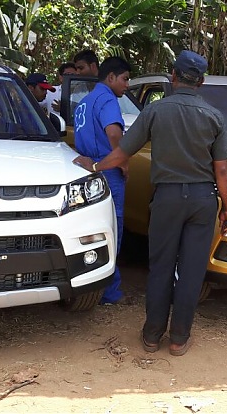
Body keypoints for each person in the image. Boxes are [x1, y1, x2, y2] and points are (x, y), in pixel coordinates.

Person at [72, 50, 227, 356]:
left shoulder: (155, 111)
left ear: (173, 76)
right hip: (202, 200)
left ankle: (151, 334)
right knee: (191, 270)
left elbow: (122, 152)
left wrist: (94, 167)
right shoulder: (214, 116)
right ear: (202, 81)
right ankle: (178, 338)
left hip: (167, 198)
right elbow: (222, 169)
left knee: (160, 267)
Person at [73, 56, 131, 305]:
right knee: (112, 229)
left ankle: (91, 284)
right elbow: (114, 133)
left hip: (88, 171)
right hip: (107, 170)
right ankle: (109, 291)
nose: (127, 85)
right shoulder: (107, 99)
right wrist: (124, 162)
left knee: (91, 229)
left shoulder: (84, 102)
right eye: (125, 79)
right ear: (111, 77)